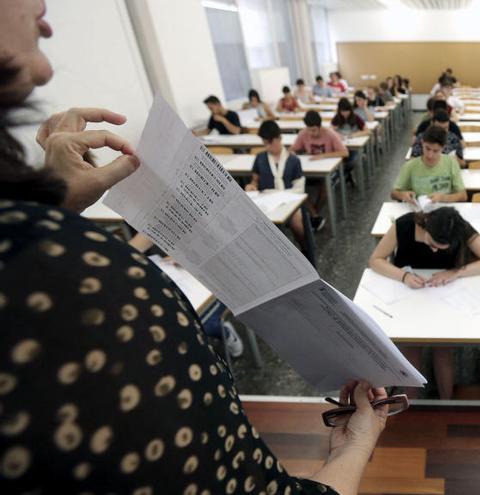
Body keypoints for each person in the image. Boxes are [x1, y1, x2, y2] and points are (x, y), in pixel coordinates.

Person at [0, 2, 382, 492]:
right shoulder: (68, 287)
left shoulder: (36, 258)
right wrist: (355, 447)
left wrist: (53, 208)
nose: (42, 6)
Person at [368, 207, 480, 399]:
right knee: (410, 348)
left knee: (443, 349)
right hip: (407, 298)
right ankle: (409, 405)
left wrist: (456, 272)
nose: (434, 250)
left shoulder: (459, 227)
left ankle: (446, 404)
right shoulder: (404, 224)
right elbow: (375, 260)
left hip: (443, 297)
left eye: (441, 248)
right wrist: (403, 276)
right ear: (425, 224)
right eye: (431, 243)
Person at [245, 120, 308, 243]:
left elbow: (299, 188)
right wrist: (252, 186)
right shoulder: (260, 158)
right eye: (265, 144)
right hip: (267, 199)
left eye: (270, 143)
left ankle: (305, 248)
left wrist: (283, 197)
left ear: (279, 138)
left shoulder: (293, 160)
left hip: (289, 199)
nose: (267, 147)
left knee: (297, 223)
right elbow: (255, 180)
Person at [291, 111, 349, 222]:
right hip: (309, 169)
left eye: (314, 130)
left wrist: (323, 156)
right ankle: (315, 216)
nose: (311, 133)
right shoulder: (304, 133)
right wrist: (291, 152)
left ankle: (313, 214)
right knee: (296, 187)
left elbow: (345, 153)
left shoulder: (330, 134)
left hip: (329, 170)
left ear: (319, 126)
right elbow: (294, 148)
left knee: (326, 189)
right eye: (309, 130)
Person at [392, 126, 467, 204]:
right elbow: (393, 193)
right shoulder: (410, 166)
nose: (430, 155)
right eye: (427, 148)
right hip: (419, 212)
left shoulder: (451, 163)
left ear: (443, 148)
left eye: (435, 151)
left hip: (444, 211)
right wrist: (402, 195)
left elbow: (463, 195)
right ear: (422, 143)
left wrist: (443, 197)